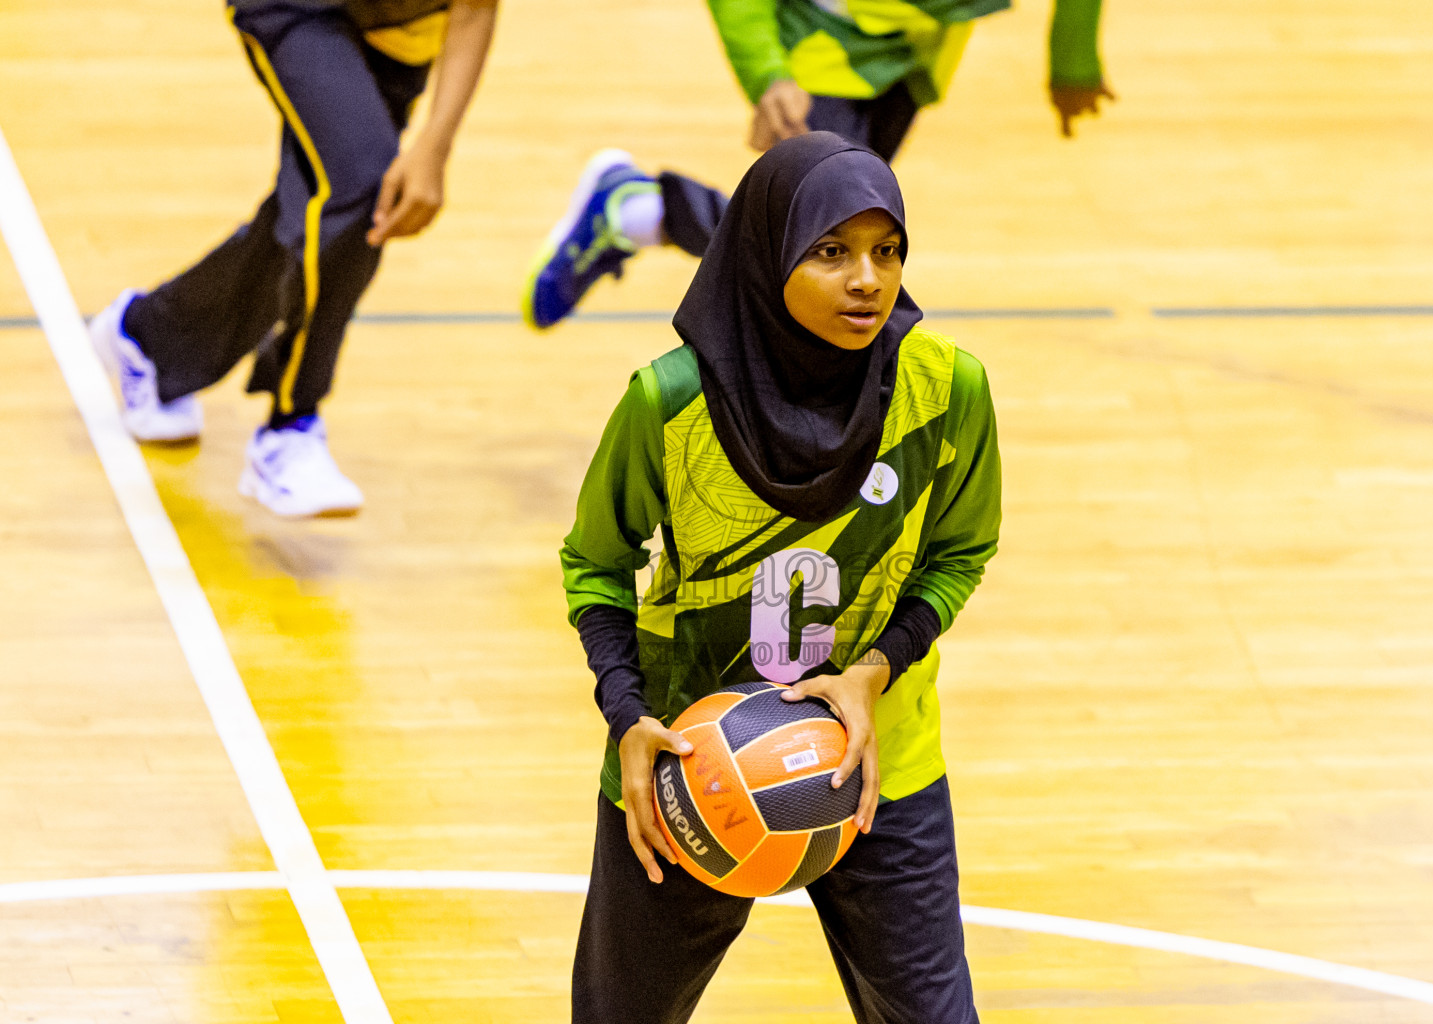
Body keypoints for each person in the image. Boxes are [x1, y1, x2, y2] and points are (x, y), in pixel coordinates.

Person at [560, 132, 1002, 1023]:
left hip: (876, 763)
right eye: (832, 252)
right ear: (767, 255)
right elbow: (596, 567)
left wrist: (874, 673)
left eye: (887, 252)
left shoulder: (947, 388)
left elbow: (960, 552)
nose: (868, 280)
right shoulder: (668, 403)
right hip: (688, 767)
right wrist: (629, 717)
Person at [89, 0, 498, 517]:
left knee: (312, 210)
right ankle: (291, 425)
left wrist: (436, 146)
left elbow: (477, 5)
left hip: (402, 34)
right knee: (361, 190)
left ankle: (149, 339)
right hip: (294, 7)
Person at [523, 0, 1109, 330]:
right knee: (818, 240)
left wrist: (1073, 59)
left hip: (912, 49)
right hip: (816, 40)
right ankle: (646, 211)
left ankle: (639, 211)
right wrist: (768, 73)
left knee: (828, 231)